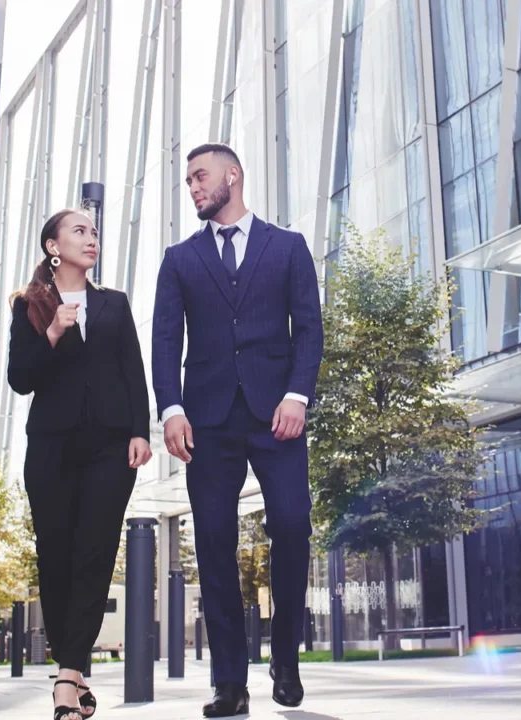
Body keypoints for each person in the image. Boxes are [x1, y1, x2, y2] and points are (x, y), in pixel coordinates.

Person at [152, 143, 324, 717]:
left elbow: (310, 329)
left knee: (293, 526)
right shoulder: (179, 259)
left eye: (200, 176)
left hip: (278, 416)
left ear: (234, 175)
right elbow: (165, 341)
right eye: (188, 181)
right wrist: (171, 409)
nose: (194, 187)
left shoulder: (288, 247)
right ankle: (229, 681)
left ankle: (286, 659)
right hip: (207, 421)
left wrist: (298, 395)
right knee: (213, 542)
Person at [8, 208, 153, 720]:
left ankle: (67, 677)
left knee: (95, 553)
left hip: (111, 448)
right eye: (79, 231)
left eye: (94, 232)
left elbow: (133, 370)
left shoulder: (114, 302)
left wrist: (141, 430)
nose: (92, 238)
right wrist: (51, 333)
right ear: (53, 246)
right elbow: (20, 379)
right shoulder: (30, 304)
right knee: (57, 557)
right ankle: (74, 669)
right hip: (52, 447)